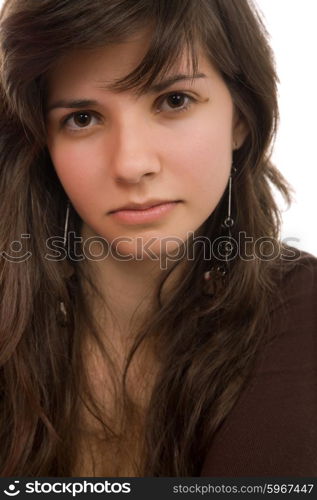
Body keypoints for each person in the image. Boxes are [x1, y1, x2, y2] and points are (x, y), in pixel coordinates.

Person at [0, 0, 316, 478]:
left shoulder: (300, 311)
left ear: (241, 117)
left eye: (173, 101)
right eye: (82, 118)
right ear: (42, 141)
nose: (131, 164)